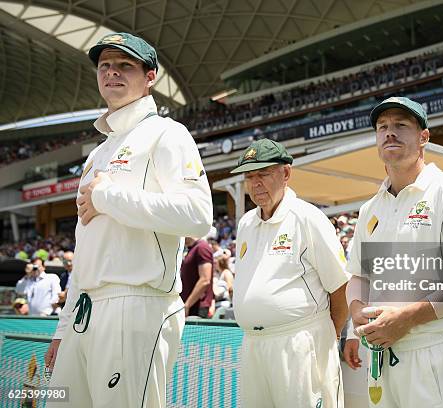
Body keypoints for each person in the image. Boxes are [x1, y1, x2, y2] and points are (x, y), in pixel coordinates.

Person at [44, 32, 213, 407]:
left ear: (150, 76)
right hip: (83, 312)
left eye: (125, 65)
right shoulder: (97, 154)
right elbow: (86, 247)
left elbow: (199, 215)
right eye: (105, 65)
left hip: (136, 303)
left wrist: (108, 197)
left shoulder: (167, 133)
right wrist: (63, 327)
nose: (112, 73)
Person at [344, 97, 443, 407]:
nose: (390, 133)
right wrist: (358, 310)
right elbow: (358, 274)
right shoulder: (370, 208)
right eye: (382, 127)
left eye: (401, 125)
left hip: (437, 352)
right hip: (383, 355)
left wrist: (407, 319)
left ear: (423, 137)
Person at [231, 138, 349, 408]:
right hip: (254, 344)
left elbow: (340, 285)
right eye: (249, 177)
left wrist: (328, 335)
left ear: (285, 174)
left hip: (300, 343)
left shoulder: (307, 217)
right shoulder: (246, 223)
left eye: (263, 173)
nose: (255, 183)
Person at [180, 237, 214, 318]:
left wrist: (187, 305)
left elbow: (205, 280)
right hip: (191, 306)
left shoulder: (202, 247)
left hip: (197, 308)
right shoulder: (192, 248)